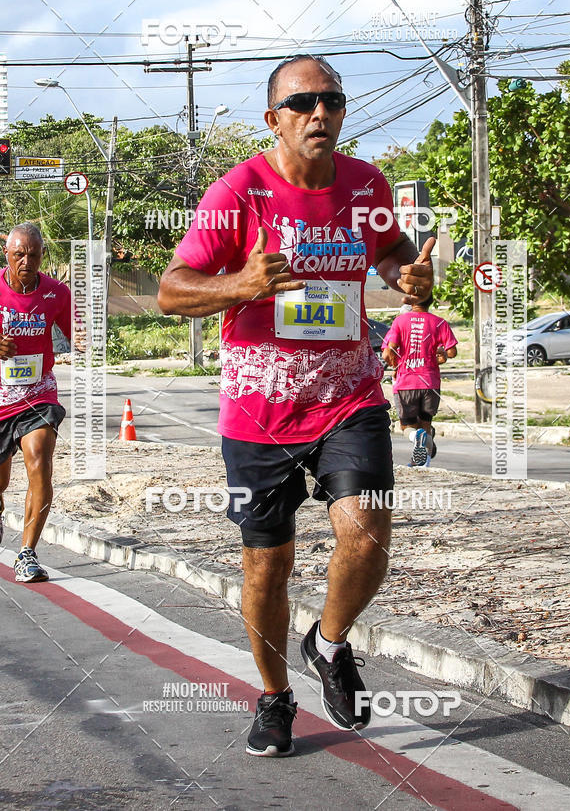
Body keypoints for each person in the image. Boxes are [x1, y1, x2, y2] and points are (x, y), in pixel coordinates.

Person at [158, 54, 434, 757]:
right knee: (266, 566)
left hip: (350, 394)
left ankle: (330, 642)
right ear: (273, 118)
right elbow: (171, 290)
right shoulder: (237, 192)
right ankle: (275, 698)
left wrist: (409, 274)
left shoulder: (366, 184)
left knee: (368, 530)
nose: (321, 113)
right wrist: (242, 283)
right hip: (261, 410)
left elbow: (392, 251)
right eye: (304, 101)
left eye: (333, 100)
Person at [0, 222, 72, 582]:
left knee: (40, 461)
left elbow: (69, 337)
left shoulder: (58, 293)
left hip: (37, 394)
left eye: (34, 254)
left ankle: (27, 552)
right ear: (7, 254)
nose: (26, 261)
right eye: (19, 254)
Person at [382, 295, 457, 467]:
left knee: (407, 427)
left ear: (411, 302)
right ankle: (424, 463)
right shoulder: (439, 322)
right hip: (430, 382)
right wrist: (442, 353)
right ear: (430, 302)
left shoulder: (400, 322)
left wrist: (396, 364)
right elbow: (451, 352)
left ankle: (416, 438)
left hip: (405, 382)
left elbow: (387, 353)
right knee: (426, 425)